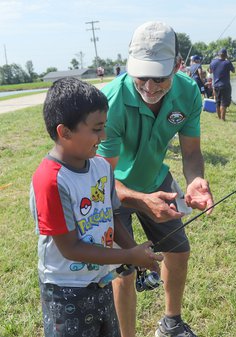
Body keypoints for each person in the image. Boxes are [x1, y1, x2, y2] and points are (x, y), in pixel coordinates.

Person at [96, 21, 214, 337]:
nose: (149, 87)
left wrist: (195, 181)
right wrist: (140, 200)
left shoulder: (188, 92)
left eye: (159, 78)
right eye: (141, 76)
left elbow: (191, 153)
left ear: (177, 66)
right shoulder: (110, 102)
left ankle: (171, 323)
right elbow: (103, 179)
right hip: (112, 188)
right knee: (124, 267)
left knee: (179, 249)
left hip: (156, 179)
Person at [30, 77, 163, 337]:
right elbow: (70, 248)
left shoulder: (102, 167)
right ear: (64, 132)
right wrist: (128, 257)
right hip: (65, 291)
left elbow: (111, 215)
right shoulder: (50, 180)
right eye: (96, 129)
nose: (103, 136)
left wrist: (133, 250)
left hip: (102, 282)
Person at [209, 48, 235, 121]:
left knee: (218, 102)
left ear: (218, 55)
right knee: (223, 103)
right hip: (225, 85)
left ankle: (219, 118)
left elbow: (210, 71)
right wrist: (229, 60)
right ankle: (223, 119)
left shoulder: (213, 62)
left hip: (216, 85)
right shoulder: (227, 62)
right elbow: (233, 70)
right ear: (226, 55)